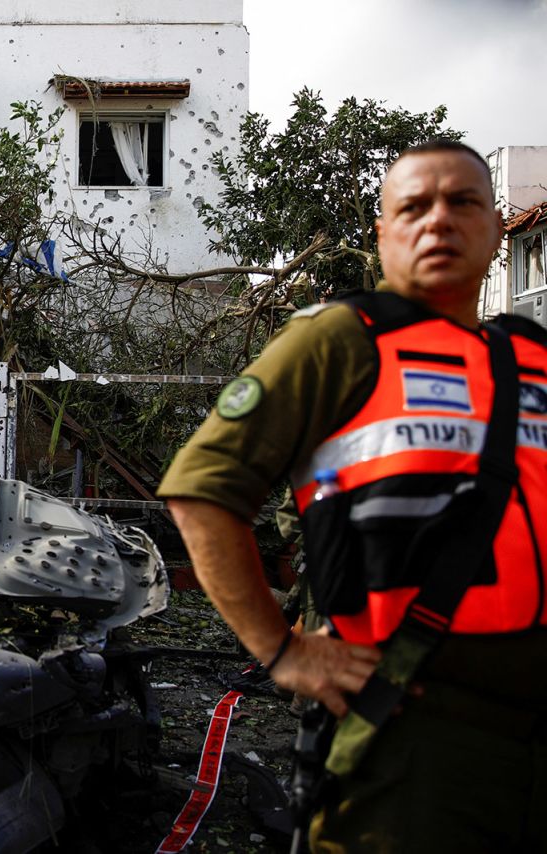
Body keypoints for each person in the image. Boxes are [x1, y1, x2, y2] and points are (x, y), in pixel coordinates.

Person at [158, 140, 547, 852]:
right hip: (410, 736)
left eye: (463, 203)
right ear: (383, 234)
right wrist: (281, 650)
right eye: (414, 207)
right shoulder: (342, 339)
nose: (439, 221)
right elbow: (201, 490)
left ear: (497, 227)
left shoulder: (532, 360)